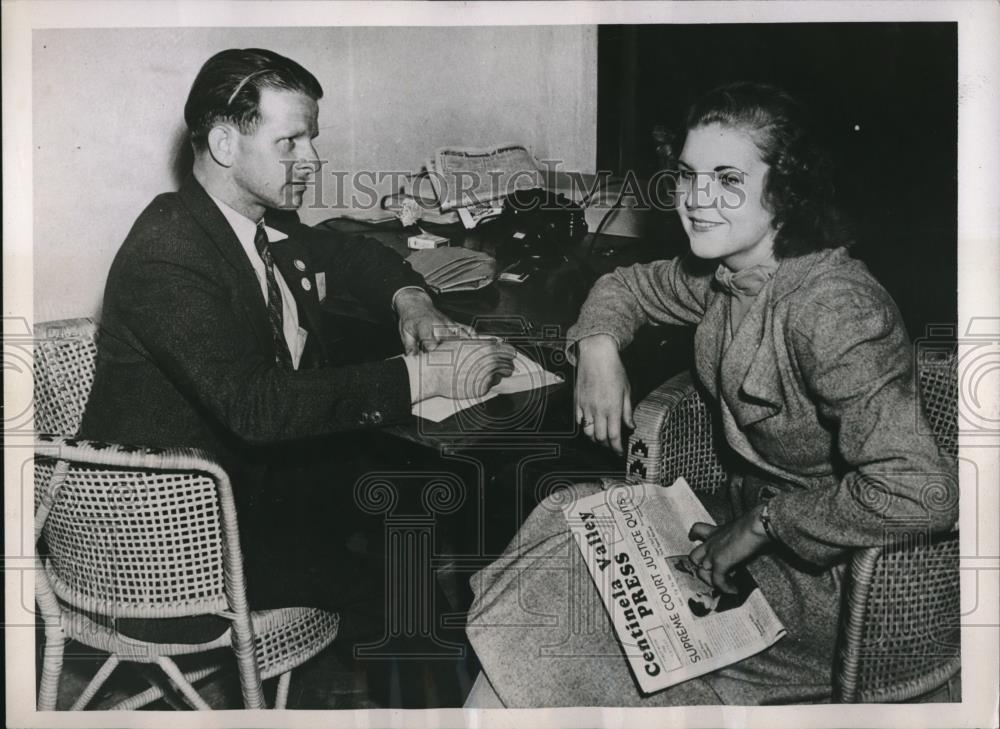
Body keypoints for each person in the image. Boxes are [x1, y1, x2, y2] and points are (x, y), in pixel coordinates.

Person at [463, 81, 957, 707]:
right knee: (567, 525)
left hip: (827, 580)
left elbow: (921, 491)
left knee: (575, 618)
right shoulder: (731, 271)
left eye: (728, 180)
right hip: (725, 525)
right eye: (687, 175)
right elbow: (628, 286)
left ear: (785, 191)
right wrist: (597, 347)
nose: (696, 201)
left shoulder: (834, 307)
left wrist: (763, 524)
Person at [79, 48, 515, 639]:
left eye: (311, 140)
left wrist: (411, 300)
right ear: (225, 144)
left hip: (248, 492)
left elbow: (352, 251)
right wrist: (425, 376)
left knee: (444, 495)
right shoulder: (169, 250)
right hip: (174, 545)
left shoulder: (258, 223)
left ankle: (462, 649)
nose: (312, 160)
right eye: (291, 143)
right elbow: (260, 406)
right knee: (406, 562)